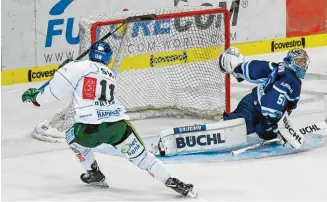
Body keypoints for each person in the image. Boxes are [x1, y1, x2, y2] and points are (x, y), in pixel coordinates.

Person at [22, 41, 196, 197]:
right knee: (143, 158)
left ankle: (94, 173)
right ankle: (173, 181)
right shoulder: (109, 74)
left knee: (72, 138)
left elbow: (54, 92)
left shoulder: (77, 67)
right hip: (117, 127)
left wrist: (36, 97)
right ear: (108, 58)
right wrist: (66, 70)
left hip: (88, 131)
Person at [219, 47, 309, 142]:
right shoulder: (290, 79)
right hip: (252, 108)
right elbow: (272, 101)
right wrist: (274, 123)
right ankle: (215, 129)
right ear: (290, 61)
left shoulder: (282, 69)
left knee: (262, 131)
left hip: (257, 108)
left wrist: (238, 69)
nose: (302, 65)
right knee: (233, 129)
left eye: (304, 62)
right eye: (299, 62)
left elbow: (259, 68)